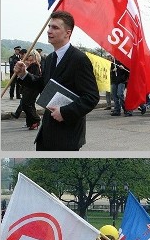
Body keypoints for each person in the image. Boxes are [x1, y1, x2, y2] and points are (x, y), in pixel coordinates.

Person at [13, 11, 99, 151]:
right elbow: (43, 85)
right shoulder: (50, 58)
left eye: (55, 27)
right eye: (49, 26)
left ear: (67, 33)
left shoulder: (79, 59)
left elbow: (92, 97)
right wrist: (24, 74)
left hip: (67, 134)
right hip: (46, 132)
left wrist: (65, 112)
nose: (49, 31)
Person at [14, 49, 42, 130]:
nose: (27, 57)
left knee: (26, 104)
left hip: (32, 89)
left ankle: (36, 119)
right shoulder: (30, 65)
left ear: (34, 56)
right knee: (29, 105)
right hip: (28, 88)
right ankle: (31, 122)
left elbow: (34, 79)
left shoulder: (35, 65)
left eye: (29, 55)